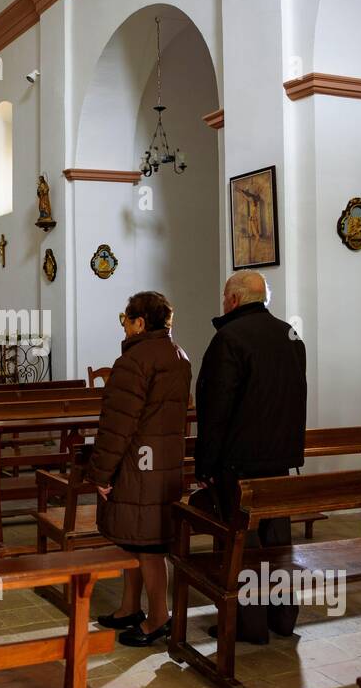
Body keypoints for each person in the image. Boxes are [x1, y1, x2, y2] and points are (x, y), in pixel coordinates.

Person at [193, 269, 307, 644]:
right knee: (278, 543)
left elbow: (215, 409)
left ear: (234, 300)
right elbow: (295, 398)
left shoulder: (229, 338)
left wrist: (206, 465)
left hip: (238, 464)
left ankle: (250, 626)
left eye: (225, 297)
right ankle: (283, 619)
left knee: (244, 546)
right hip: (280, 462)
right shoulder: (290, 336)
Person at [87, 291, 192, 647]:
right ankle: (130, 607)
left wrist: (101, 473)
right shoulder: (178, 356)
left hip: (137, 466)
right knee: (135, 539)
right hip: (164, 463)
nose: (125, 327)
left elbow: (118, 425)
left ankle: (159, 617)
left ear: (140, 323)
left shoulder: (134, 361)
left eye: (126, 320)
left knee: (147, 546)